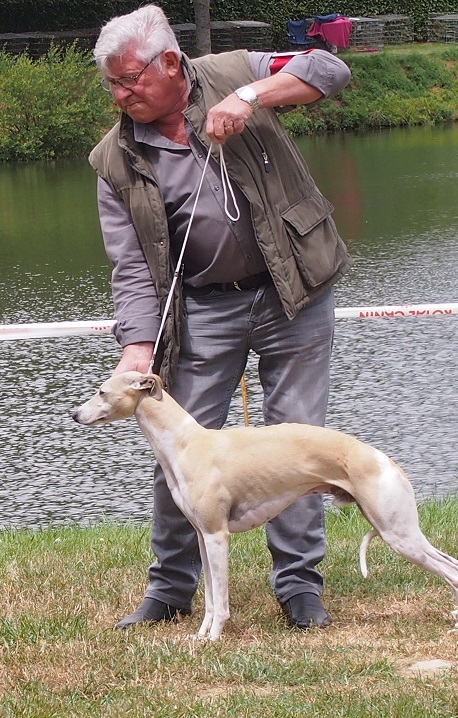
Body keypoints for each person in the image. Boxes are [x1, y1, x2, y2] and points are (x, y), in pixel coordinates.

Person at [90, 4, 353, 631]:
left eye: (132, 80)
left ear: (172, 64)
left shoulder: (235, 68)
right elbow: (129, 267)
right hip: (204, 310)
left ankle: (299, 588)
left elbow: (329, 69)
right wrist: (136, 345)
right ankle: (169, 590)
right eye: (113, 85)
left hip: (295, 291)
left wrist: (251, 95)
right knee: (178, 450)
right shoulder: (114, 160)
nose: (122, 95)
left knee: (296, 442)